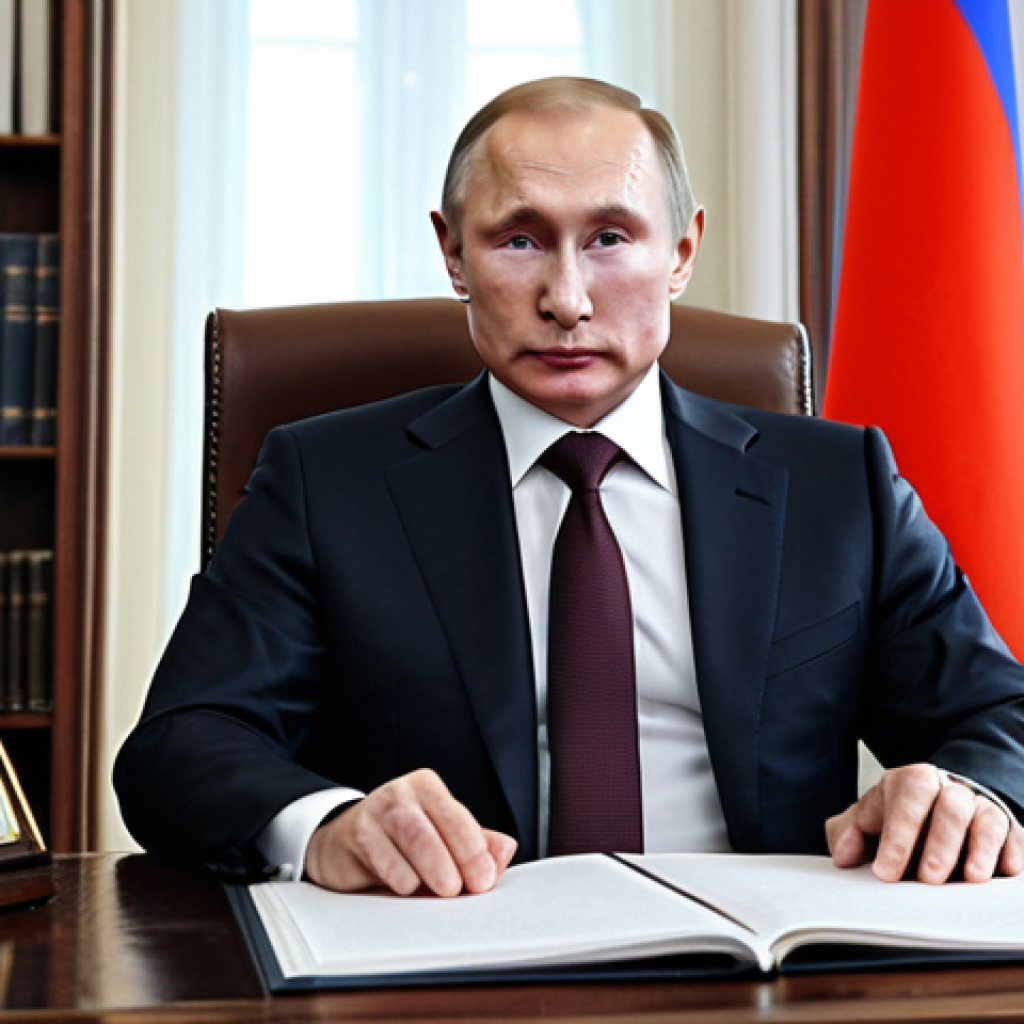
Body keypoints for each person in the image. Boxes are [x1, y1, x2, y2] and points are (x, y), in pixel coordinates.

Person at [115, 77, 1024, 898]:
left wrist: (970, 792)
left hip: (760, 976)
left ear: (682, 251)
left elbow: (1003, 715)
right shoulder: (326, 483)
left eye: (611, 238)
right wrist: (327, 825)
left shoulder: (837, 485)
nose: (568, 298)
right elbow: (177, 750)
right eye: (519, 240)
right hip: (452, 972)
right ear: (453, 254)